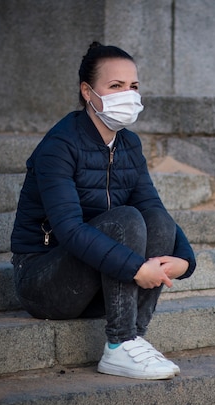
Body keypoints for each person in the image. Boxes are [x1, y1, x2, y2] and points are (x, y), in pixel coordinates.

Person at [10, 42, 196, 380]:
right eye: (115, 86)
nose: (128, 95)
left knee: (152, 219)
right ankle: (119, 344)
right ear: (87, 91)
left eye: (133, 86)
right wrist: (136, 267)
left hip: (97, 283)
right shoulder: (60, 146)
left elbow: (155, 209)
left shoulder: (128, 144)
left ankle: (133, 339)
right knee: (125, 221)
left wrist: (186, 261)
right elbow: (69, 229)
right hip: (44, 281)